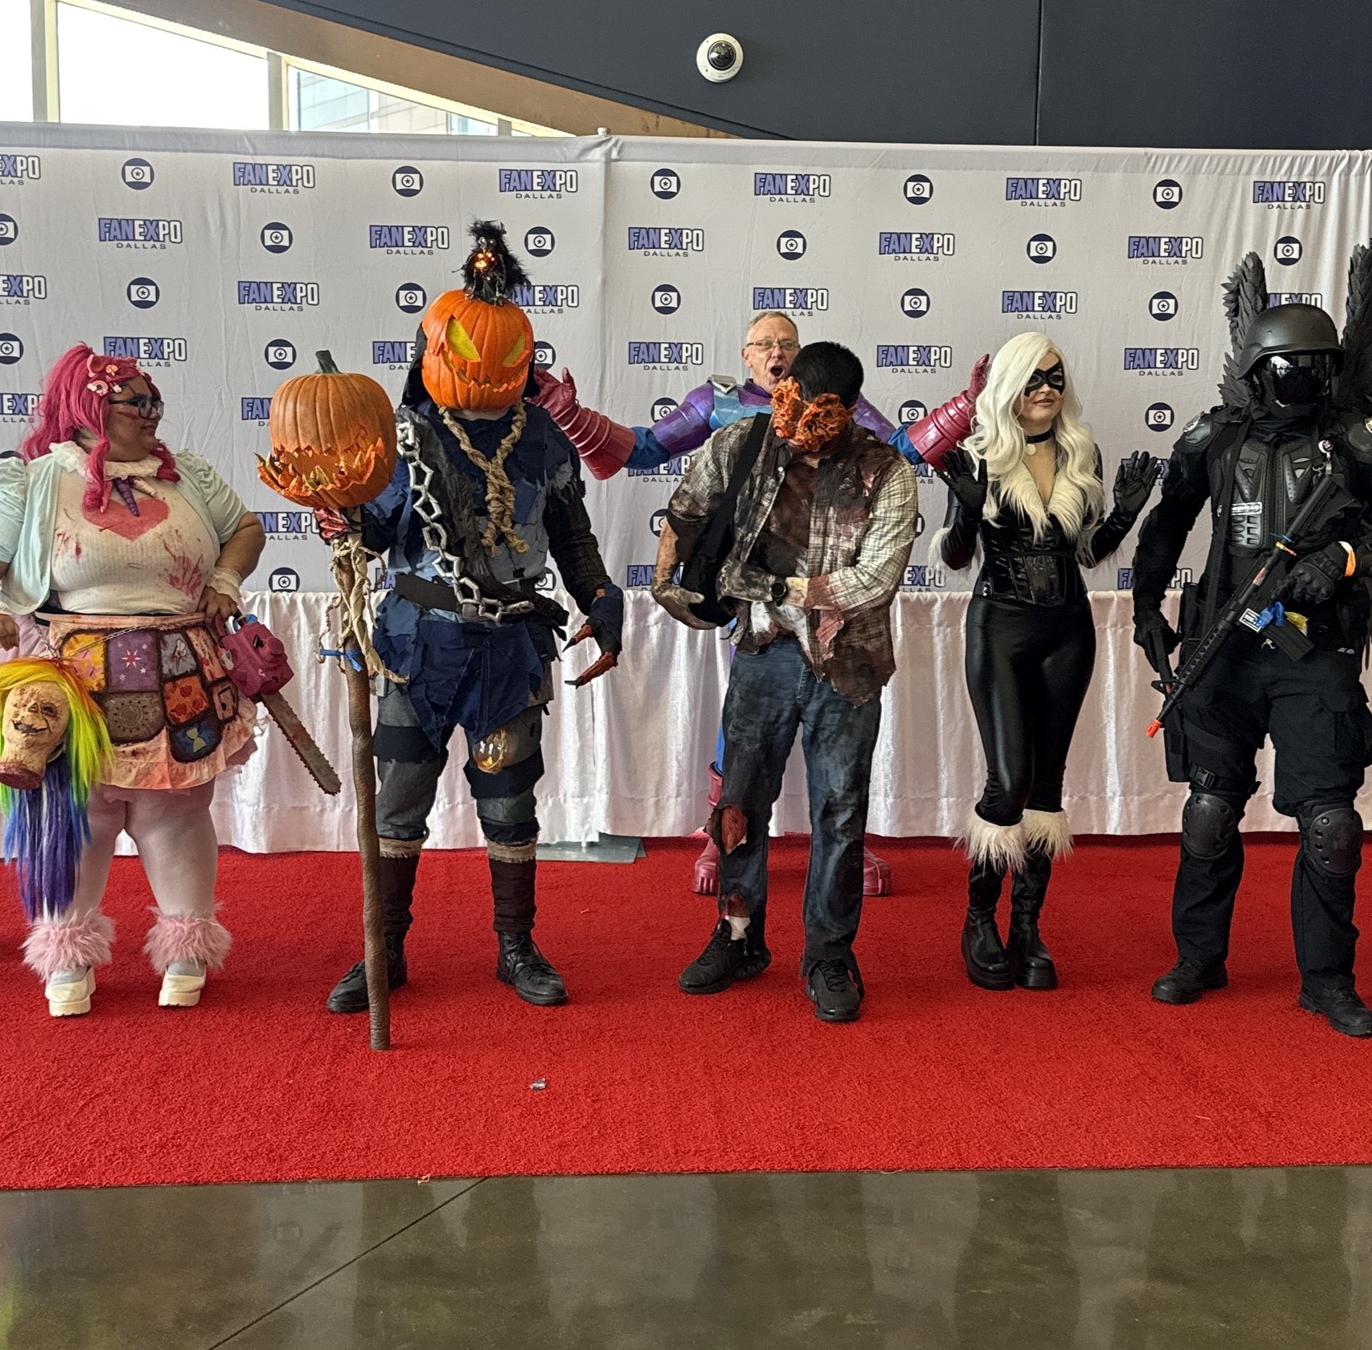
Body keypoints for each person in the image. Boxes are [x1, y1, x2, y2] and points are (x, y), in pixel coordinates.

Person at [532, 308, 968, 897]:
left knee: (835, 751)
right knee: (744, 734)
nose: (775, 351)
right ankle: (723, 841)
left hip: (833, 614)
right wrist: (567, 414)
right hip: (752, 608)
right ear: (747, 355)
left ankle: (844, 843)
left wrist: (961, 411)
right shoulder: (723, 411)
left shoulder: (845, 410)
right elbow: (641, 451)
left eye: (786, 342)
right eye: (763, 342)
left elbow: (894, 454)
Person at [1129, 247, 1372, 1038]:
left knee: (1331, 823)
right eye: (1292, 366)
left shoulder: (1359, 441)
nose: (1308, 379)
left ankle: (1328, 980)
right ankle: (1199, 955)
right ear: (1259, 371)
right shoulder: (1212, 439)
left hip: (1315, 650)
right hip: (1222, 643)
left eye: (1319, 366)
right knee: (1207, 809)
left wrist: (1346, 558)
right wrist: (1145, 609)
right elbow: (1164, 527)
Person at [320, 222, 621, 1014]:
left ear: (524, 359)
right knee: (398, 801)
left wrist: (603, 600)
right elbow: (379, 535)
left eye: (502, 358)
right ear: (431, 352)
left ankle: (515, 947)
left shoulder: (546, 441)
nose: (483, 369)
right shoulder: (400, 437)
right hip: (418, 646)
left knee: (510, 800)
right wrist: (346, 517)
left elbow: (573, 537)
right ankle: (385, 949)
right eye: (463, 354)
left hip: (510, 649)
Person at [0, 345, 266, 1017]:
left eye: (155, 402)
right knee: (78, 815)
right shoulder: (32, 481)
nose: (152, 414)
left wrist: (225, 579)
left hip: (179, 669)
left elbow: (245, 527)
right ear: (92, 407)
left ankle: (186, 950)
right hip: (69, 673)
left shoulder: (189, 477)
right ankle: (65, 955)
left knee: (177, 811)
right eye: (136, 403)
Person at [657, 340, 918, 1022]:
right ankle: (738, 936)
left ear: (849, 411)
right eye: (790, 403)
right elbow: (685, 509)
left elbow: (875, 581)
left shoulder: (886, 471)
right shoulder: (746, 440)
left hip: (849, 665)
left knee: (840, 812)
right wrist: (665, 581)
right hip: (761, 655)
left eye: (818, 414)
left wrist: (774, 586)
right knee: (739, 802)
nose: (799, 425)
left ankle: (829, 954)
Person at [937, 333, 1157, 990]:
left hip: (1068, 628)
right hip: (999, 625)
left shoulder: (1081, 450)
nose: (1046, 390)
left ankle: (1027, 926)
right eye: (1033, 379)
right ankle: (980, 919)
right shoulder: (977, 458)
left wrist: (1127, 511)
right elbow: (953, 557)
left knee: (1047, 789)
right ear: (1009, 385)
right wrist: (967, 516)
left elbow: (1089, 554)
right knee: (1008, 780)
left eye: (1055, 377)